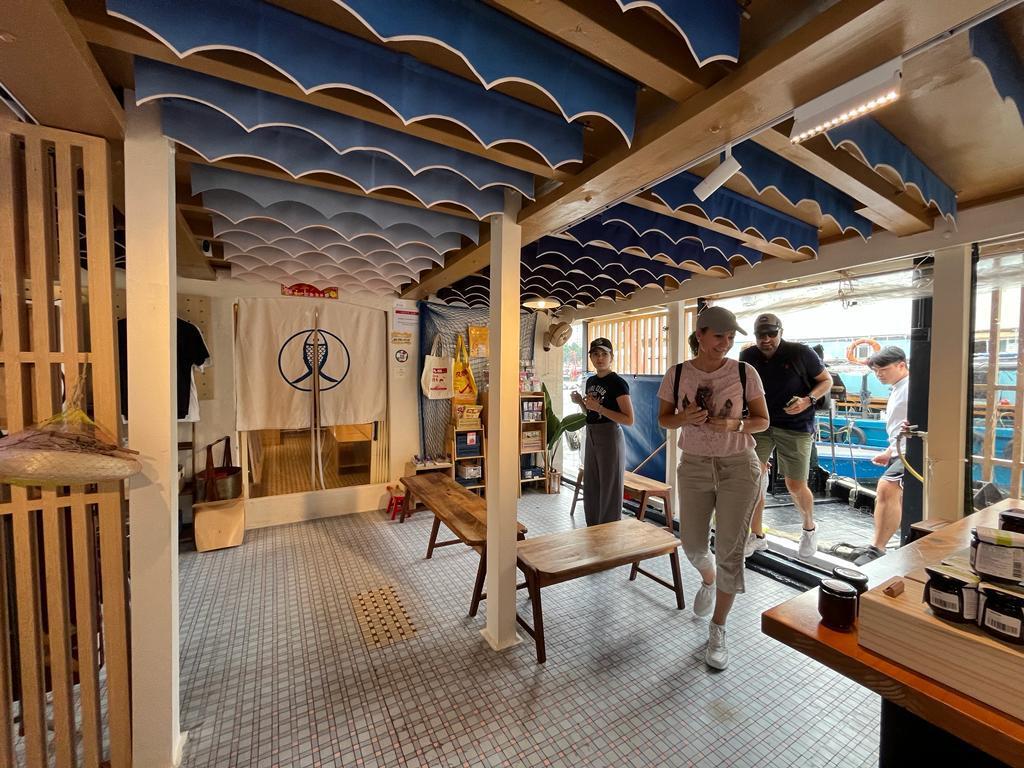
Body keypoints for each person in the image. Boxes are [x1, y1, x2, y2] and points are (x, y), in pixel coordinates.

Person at [657, 306, 769, 670]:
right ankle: (709, 578)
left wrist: (737, 426)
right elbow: (664, 419)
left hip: (739, 467)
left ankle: (718, 628)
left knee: (730, 552)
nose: (726, 343)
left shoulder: (744, 372)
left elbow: (763, 420)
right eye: (719, 336)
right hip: (694, 466)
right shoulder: (677, 374)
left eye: (731, 337)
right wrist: (683, 418)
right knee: (692, 543)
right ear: (700, 335)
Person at [740, 313, 834, 558]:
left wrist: (808, 400)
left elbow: (826, 380)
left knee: (795, 484)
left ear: (781, 332)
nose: (766, 339)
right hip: (760, 423)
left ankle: (809, 528)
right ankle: (757, 535)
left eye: (772, 333)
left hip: (796, 424)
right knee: (754, 479)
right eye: (761, 335)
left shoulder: (800, 353)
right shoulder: (748, 356)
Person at [854, 346, 910, 566]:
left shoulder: (912, 387)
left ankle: (877, 548)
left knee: (887, 488)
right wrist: (889, 452)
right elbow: (898, 425)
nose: (879, 374)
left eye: (883, 369)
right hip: (900, 449)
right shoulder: (898, 388)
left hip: (912, 450)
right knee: (897, 496)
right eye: (876, 371)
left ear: (901, 365)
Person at [571, 337, 634, 526]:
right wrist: (581, 403)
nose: (600, 358)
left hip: (610, 436)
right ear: (590, 357)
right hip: (592, 433)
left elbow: (629, 419)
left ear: (611, 357)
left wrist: (599, 408)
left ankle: (609, 533)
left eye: (604, 354)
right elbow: (591, 413)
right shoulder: (591, 381)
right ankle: (593, 530)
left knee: (610, 488)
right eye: (595, 354)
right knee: (592, 486)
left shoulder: (618, 383)